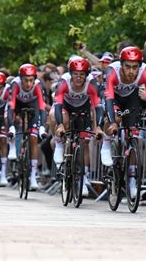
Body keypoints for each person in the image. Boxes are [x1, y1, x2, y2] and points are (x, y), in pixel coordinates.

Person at [101, 46, 146, 198]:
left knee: (134, 133)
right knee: (116, 119)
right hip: (114, 98)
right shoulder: (112, 71)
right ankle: (106, 143)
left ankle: (132, 179)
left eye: (135, 67)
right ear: (121, 65)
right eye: (127, 67)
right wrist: (112, 122)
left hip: (132, 99)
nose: (131, 71)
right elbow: (109, 99)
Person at [52, 57, 104, 196]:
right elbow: (57, 105)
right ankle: (59, 144)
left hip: (84, 109)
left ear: (86, 75)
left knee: (85, 142)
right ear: (70, 74)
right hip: (66, 108)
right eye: (75, 74)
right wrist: (61, 125)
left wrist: (97, 127)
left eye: (82, 74)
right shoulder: (64, 81)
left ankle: (84, 176)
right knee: (57, 117)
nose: (78, 77)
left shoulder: (92, 83)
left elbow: (97, 107)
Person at [7, 64, 47, 190]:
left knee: (33, 139)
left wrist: (41, 127)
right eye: (26, 80)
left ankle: (33, 176)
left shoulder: (38, 85)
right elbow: (11, 107)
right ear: (21, 79)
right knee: (8, 117)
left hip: (32, 104)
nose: (29, 83)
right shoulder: (15, 84)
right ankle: (12, 144)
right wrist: (12, 126)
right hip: (17, 104)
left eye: (31, 80)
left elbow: (42, 108)